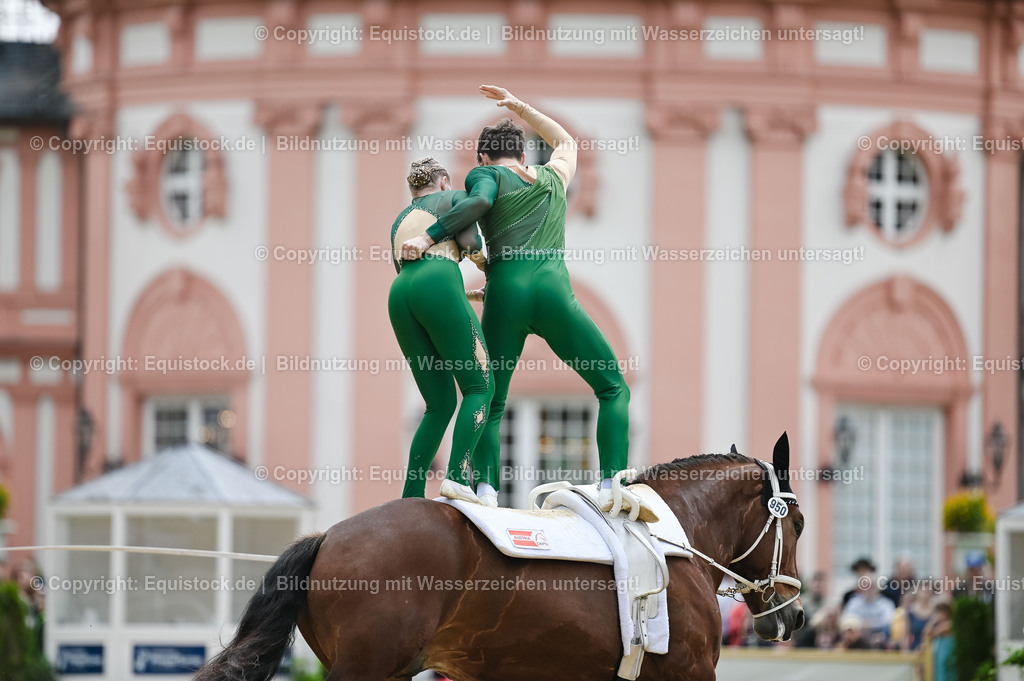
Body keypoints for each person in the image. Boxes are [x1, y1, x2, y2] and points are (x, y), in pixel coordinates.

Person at [400, 85, 646, 519]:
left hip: (505, 295)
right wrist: (520, 107)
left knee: (490, 399)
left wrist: (428, 237)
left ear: (482, 157)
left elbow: (479, 203)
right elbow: (565, 141)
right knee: (613, 388)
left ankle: (486, 492)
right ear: (524, 152)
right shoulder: (554, 176)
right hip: (554, 292)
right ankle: (613, 484)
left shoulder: (485, 176)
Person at [389, 158, 495, 504]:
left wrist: (464, 295)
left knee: (438, 404)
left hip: (401, 294)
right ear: (444, 181)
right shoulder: (453, 198)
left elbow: (411, 273)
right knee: (480, 386)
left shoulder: (400, 220)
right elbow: (470, 241)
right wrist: (487, 267)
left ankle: (412, 493)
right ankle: (457, 477)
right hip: (438, 282)